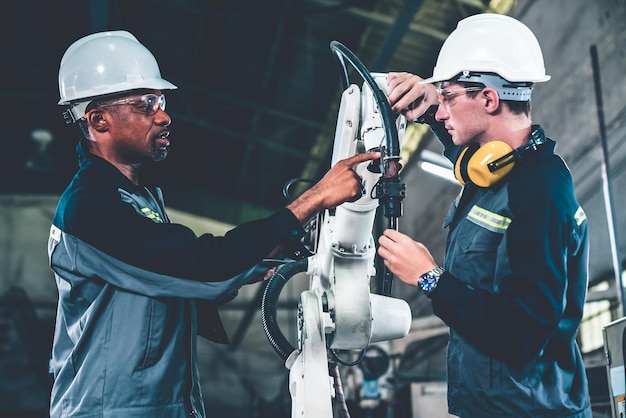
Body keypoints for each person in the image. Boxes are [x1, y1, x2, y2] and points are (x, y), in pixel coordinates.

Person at [48, 30, 379, 418]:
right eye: (145, 104)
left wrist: (261, 259)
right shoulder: (90, 208)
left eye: (162, 100)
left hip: (162, 404)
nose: (164, 114)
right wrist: (314, 198)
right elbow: (202, 267)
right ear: (99, 120)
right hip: (111, 409)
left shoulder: (137, 199)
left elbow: (176, 276)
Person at [377, 13, 592, 418]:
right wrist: (429, 102)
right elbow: (463, 147)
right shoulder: (497, 167)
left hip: (528, 411)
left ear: (490, 100)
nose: (441, 112)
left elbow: (522, 334)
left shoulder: (539, 192)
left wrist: (429, 276)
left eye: (449, 98)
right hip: (491, 406)